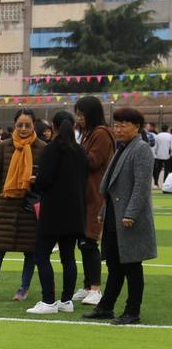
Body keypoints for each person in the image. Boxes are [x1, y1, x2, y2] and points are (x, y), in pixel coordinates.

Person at [83, 107, 159, 325]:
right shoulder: (123, 148)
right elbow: (114, 188)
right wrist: (104, 211)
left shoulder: (141, 149)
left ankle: (132, 311)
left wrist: (131, 214)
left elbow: (141, 187)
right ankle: (106, 307)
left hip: (129, 220)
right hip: (114, 217)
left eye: (123, 125)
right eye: (116, 124)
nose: (117, 129)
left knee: (132, 267)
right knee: (115, 265)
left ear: (136, 127)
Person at [0, 109, 46, 303]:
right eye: (19, 125)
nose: (23, 129)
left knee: (29, 251)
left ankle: (23, 289)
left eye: (27, 125)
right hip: (6, 205)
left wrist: (36, 180)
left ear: (34, 125)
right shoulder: (3, 147)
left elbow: (48, 180)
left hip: (30, 207)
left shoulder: (42, 148)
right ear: (14, 125)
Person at [27, 111, 87, 315]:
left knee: (41, 255)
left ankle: (49, 301)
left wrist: (35, 182)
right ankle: (66, 301)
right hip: (75, 211)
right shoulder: (80, 151)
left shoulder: (52, 149)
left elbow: (44, 181)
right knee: (68, 257)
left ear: (53, 126)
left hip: (53, 211)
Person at [73, 96, 114, 305]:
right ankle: (88, 285)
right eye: (77, 115)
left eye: (81, 115)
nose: (79, 119)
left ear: (91, 115)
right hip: (85, 193)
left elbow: (92, 162)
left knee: (89, 241)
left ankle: (96, 289)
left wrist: (72, 147)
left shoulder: (101, 134)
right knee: (83, 242)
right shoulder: (89, 134)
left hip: (95, 195)